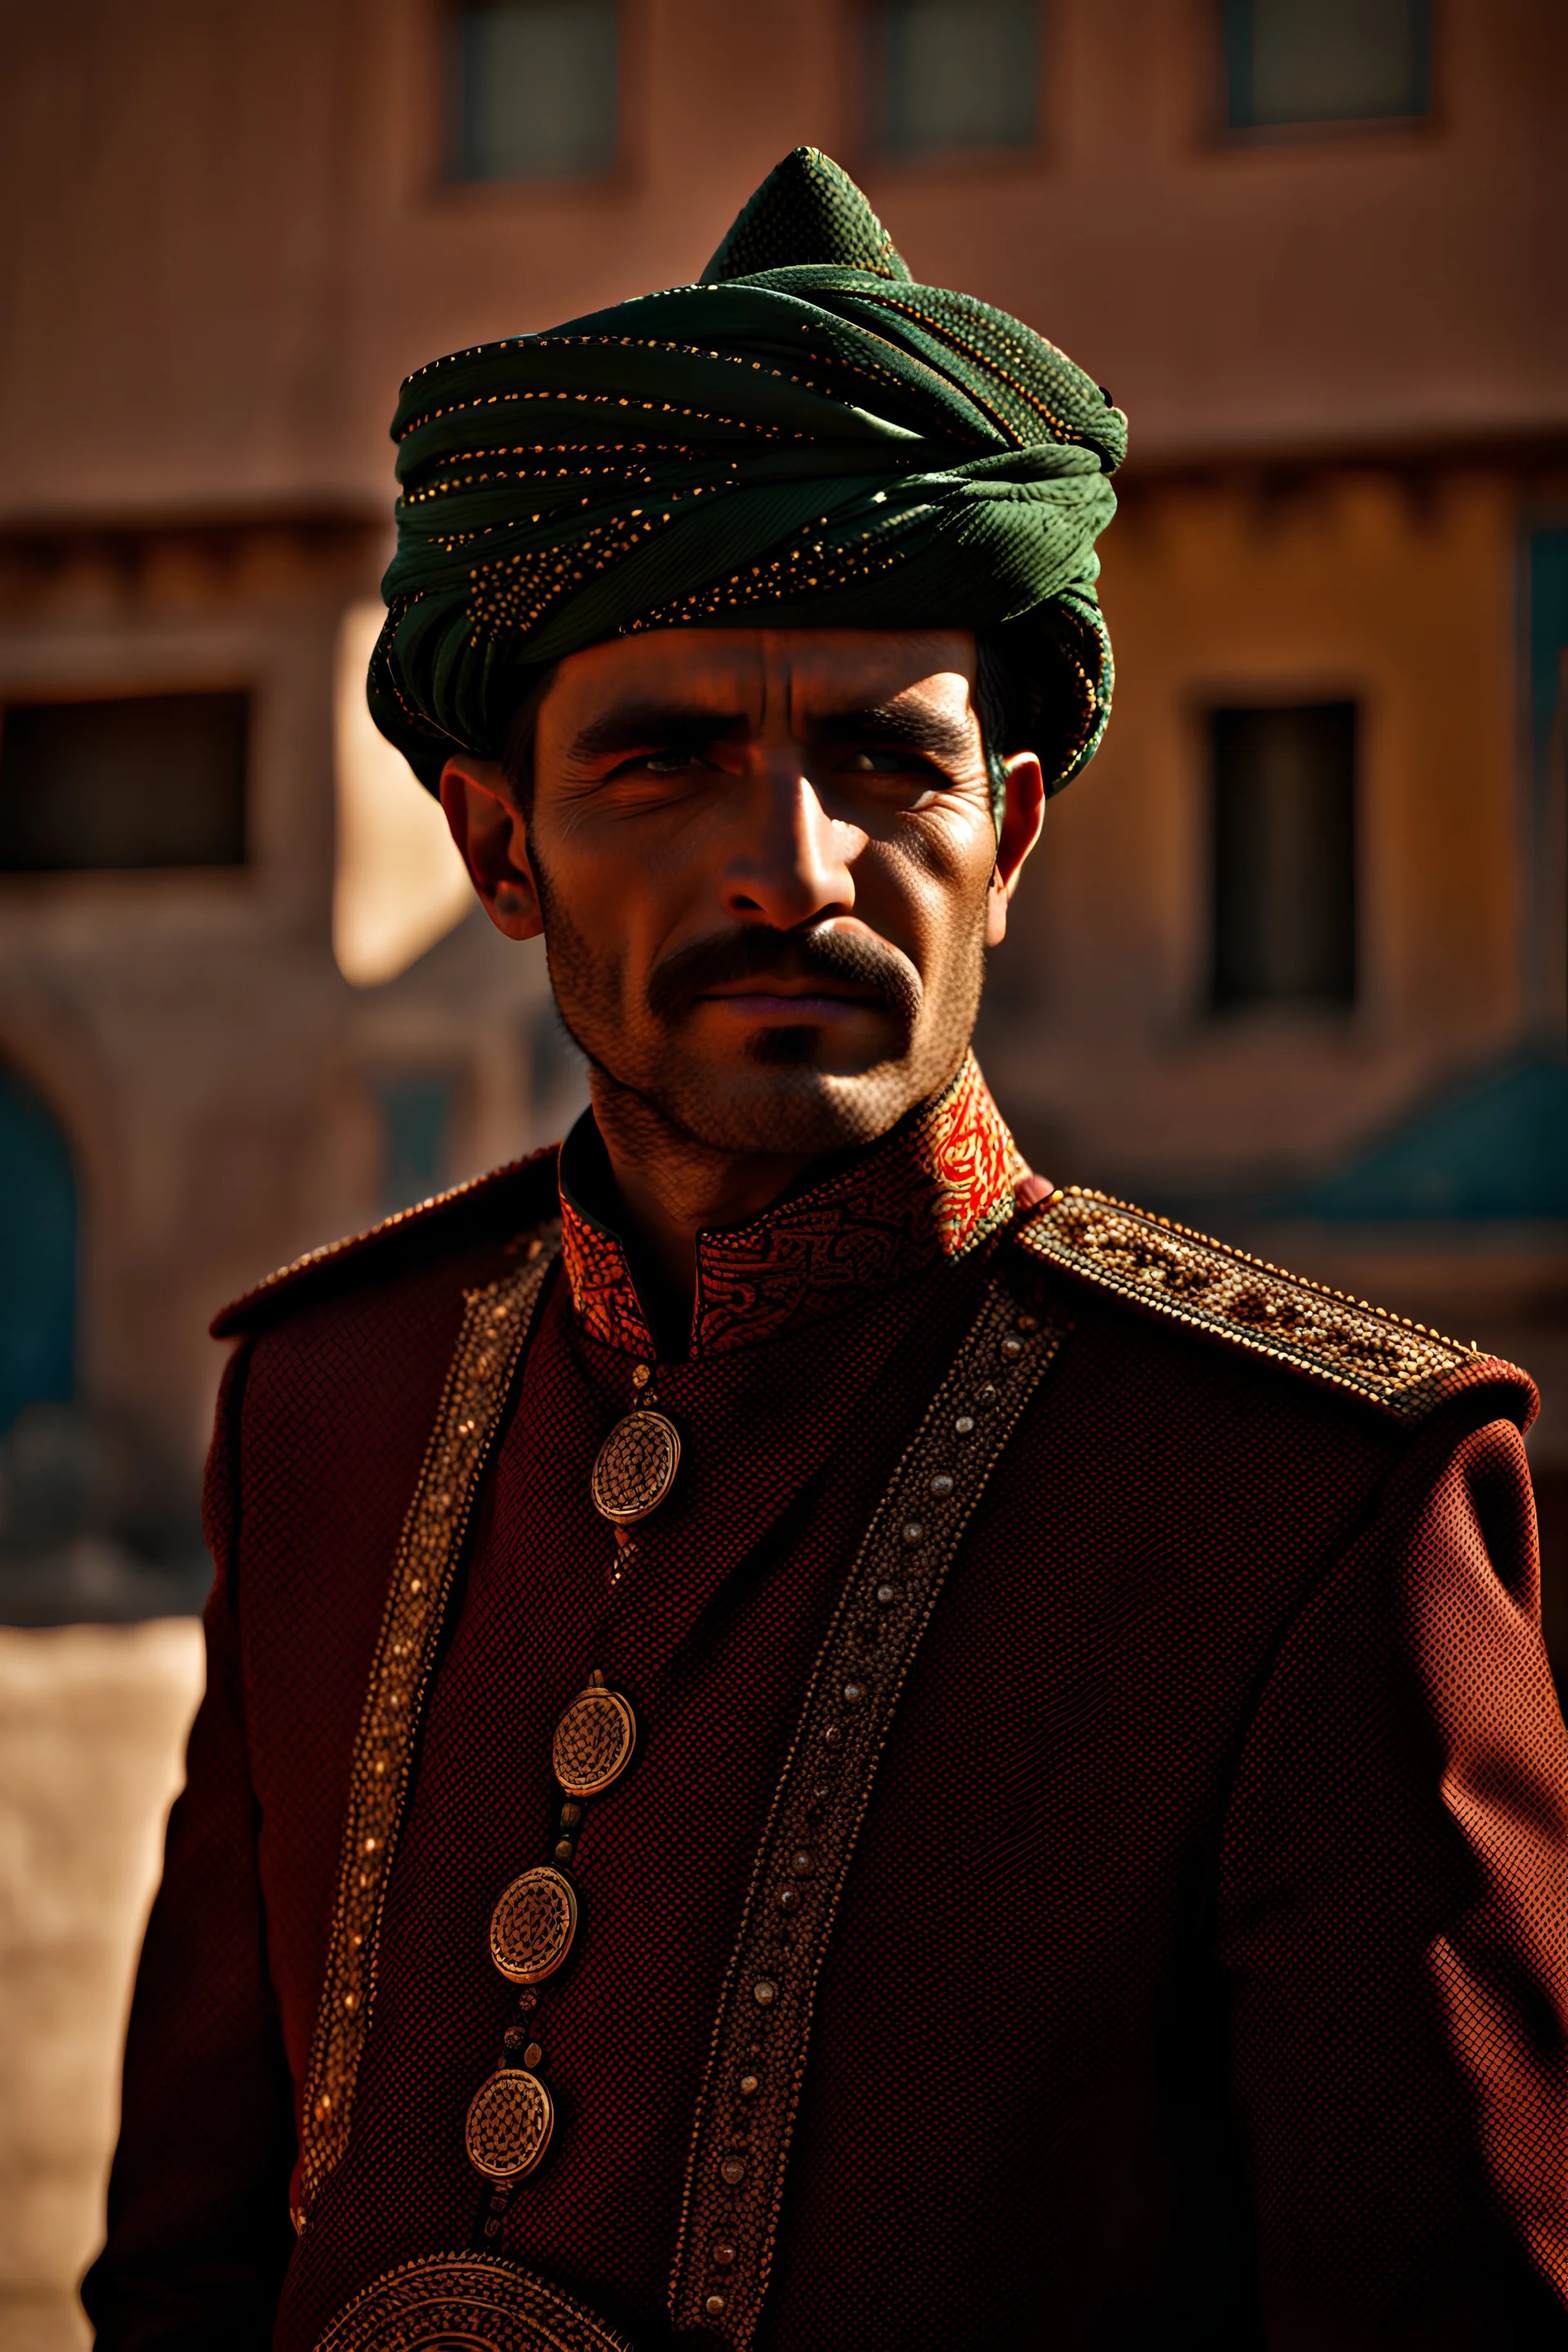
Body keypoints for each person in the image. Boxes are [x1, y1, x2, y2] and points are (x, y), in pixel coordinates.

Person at [85, 149, 1568, 2352]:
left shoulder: (1304, 1505)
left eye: (886, 758)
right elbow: (193, 2269)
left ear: (1014, 828)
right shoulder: (328, 1406)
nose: (795, 867)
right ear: (498, 839)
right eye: (666, 762)